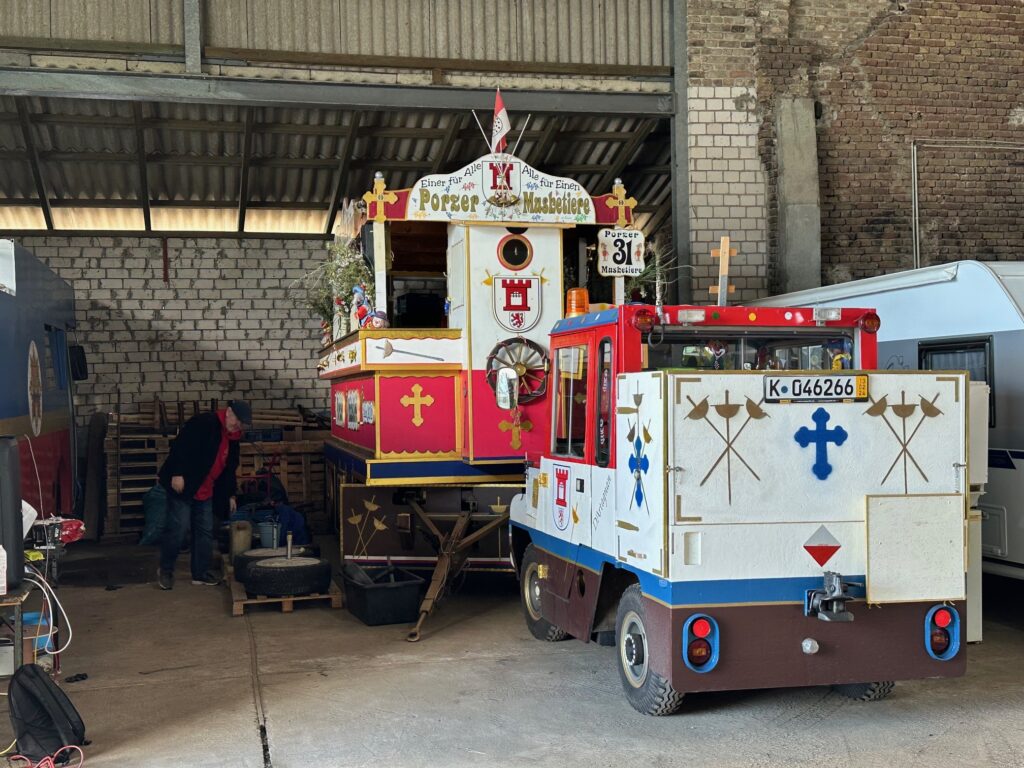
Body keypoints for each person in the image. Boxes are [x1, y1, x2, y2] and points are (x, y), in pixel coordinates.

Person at [156, 400, 251, 590]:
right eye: (236, 421)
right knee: (179, 528)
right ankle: (165, 570)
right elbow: (181, 447)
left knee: (205, 532)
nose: (237, 426)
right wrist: (177, 473)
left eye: (241, 424)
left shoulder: (233, 439)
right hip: (184, 485)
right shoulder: (204, 423)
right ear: (229, 412)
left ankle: (200, 573)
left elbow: (230, 468)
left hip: (206, 490)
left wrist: (231, 495)